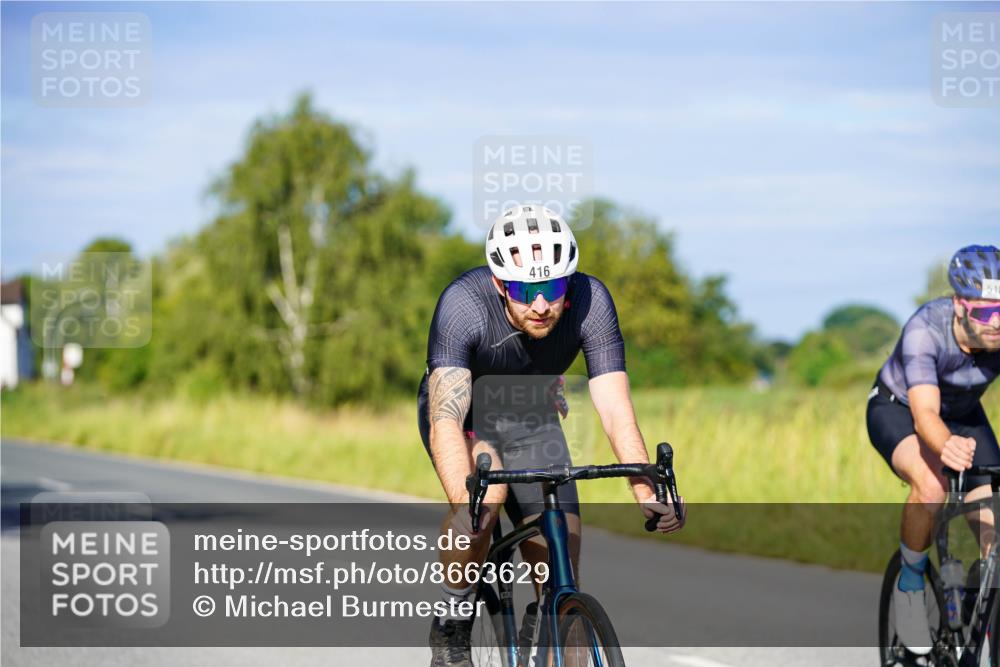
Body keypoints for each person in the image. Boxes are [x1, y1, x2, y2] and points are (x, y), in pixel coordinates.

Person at [417, 204, 685, 667]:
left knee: (562, 566)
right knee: (487, 501)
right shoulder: (464, 304)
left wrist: (646, 488)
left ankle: (547, 621)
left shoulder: (591, 301)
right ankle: (454, 612)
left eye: (552, 287)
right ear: (500, 284)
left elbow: (615, 407)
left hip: (531, 412)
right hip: (467, 414)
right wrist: (467, 506)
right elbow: (446, 415)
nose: (541, 305)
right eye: (524, 290)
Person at [867, 244, 1000, 654]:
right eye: (985, 313)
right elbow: (926, 414)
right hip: (901, 410)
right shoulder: (927, 329)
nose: (996, 324)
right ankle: (909, 586)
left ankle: (985, 626)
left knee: (994, 521)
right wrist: (947, 448)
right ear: (960, 305)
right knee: (931, 487)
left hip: (963, 415)